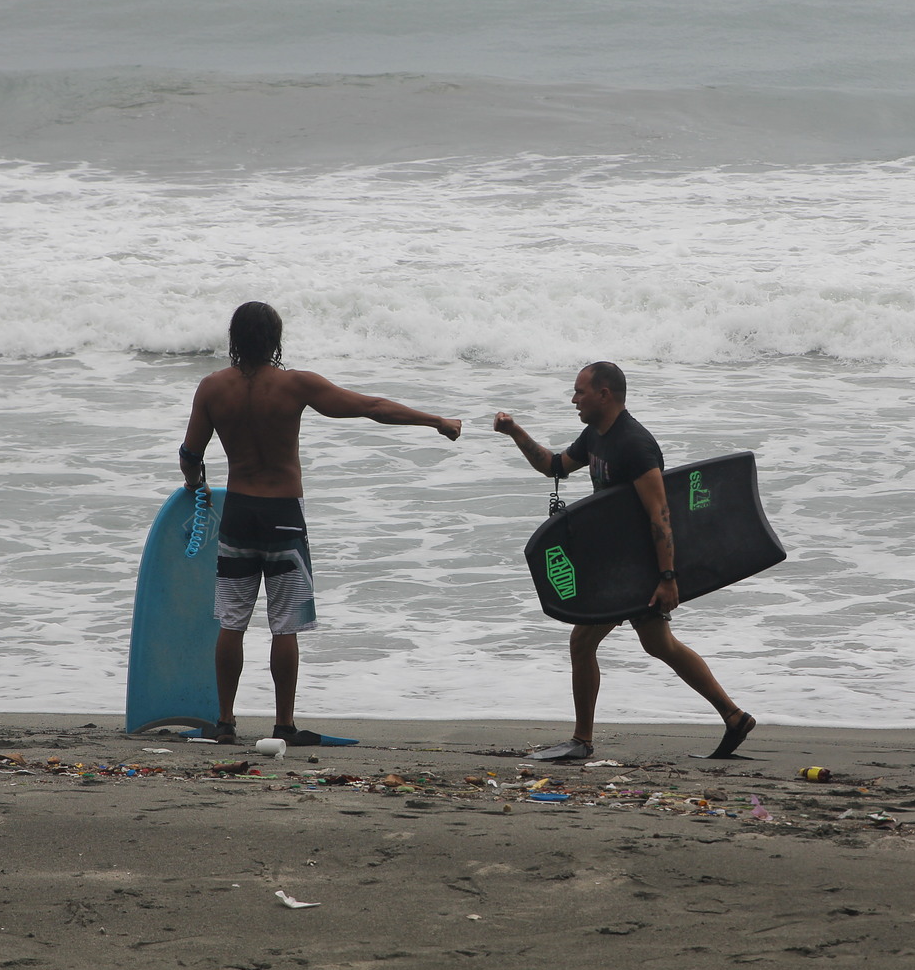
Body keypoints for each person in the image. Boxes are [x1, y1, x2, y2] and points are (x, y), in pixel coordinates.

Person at [180, 301, 462, 746]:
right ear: (275, 340)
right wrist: (435, 421)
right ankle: (283, 725)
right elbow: (370, 406)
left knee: (232, 622)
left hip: (237, 515)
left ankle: (227, 722)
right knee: (284, 624)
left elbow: (190, 455)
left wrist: (195, 486)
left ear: (234, 339)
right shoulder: (295, 385)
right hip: (282, 518)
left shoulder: (212, 388)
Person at [493, 361, 755, 761]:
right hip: (622, 562)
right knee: (659, 644)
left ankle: (582, 741)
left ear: (604, 394)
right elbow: (553, 466)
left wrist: (667, 578)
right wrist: (515, 432)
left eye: (580, 391)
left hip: (637, 567)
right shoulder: (596, 436)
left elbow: (660, 514)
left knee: (583, 642)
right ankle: (734, 716)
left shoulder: (634, 444)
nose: (573, 399)